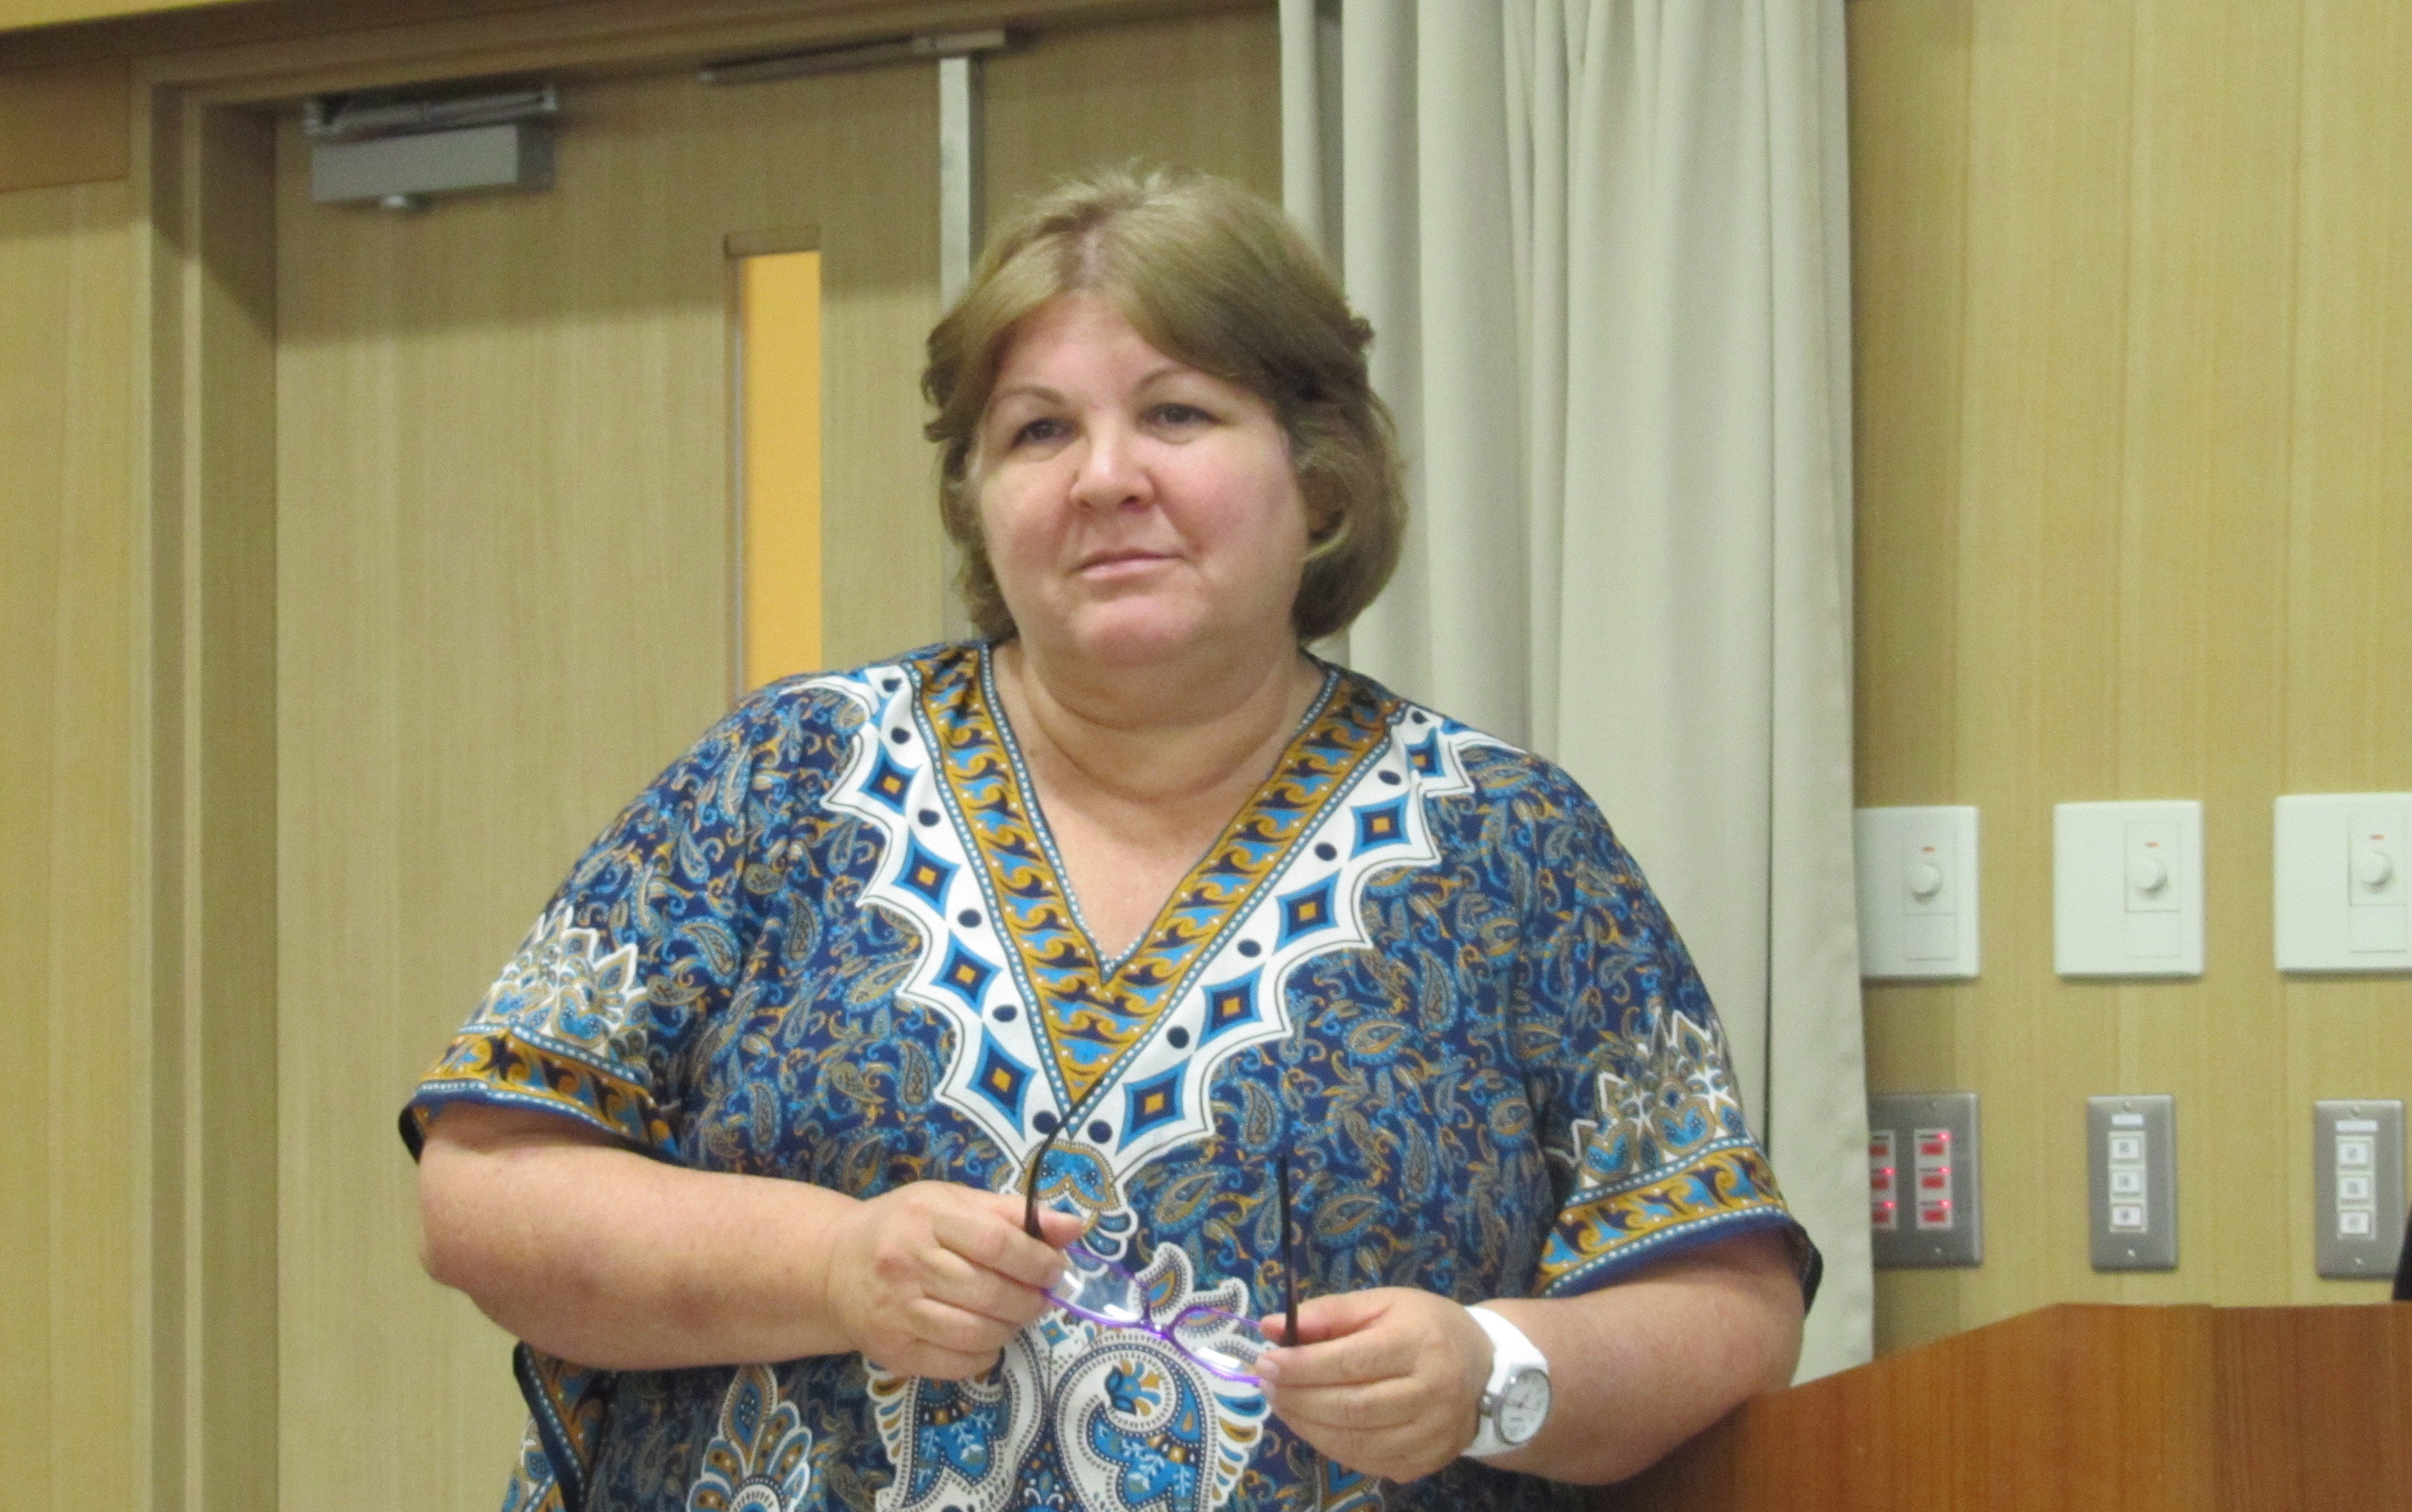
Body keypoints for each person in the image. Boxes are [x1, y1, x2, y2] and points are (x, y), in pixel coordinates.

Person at [407, 163, 1813, 1512]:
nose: (1104, 478)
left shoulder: (1515, 846)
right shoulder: (784, 780)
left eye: (1179, 415)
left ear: (1318, 479)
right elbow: (486, 1191)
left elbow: (1726, 1301)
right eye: (1038, 431)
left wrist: (1497, 1373)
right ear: (980, 500)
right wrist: (834, 1262)